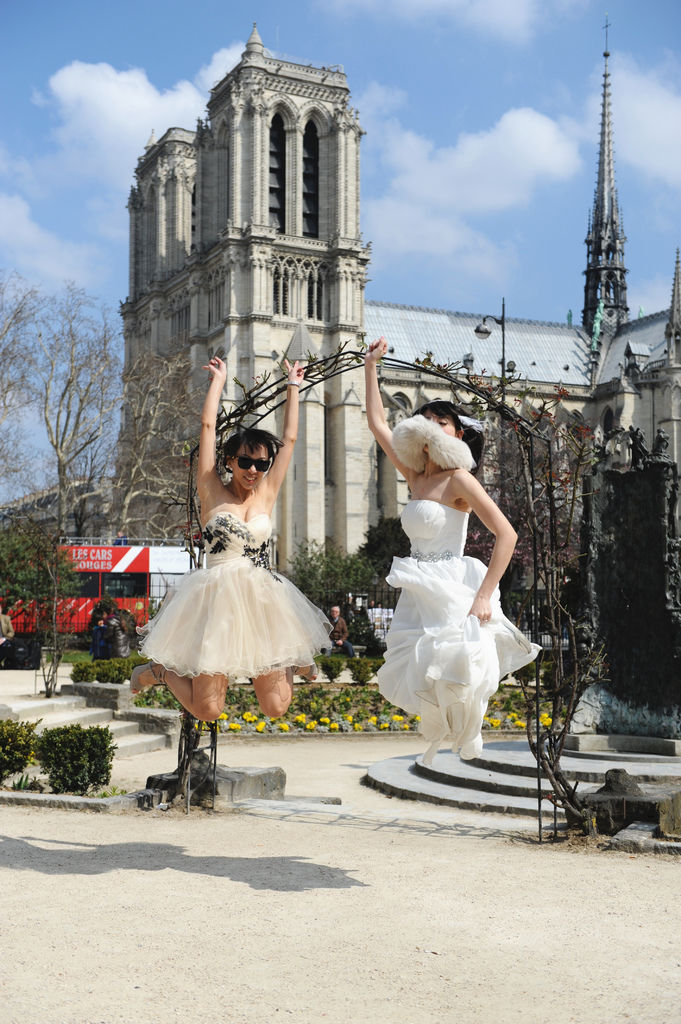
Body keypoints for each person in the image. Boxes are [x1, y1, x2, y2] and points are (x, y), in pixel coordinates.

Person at [364, 337, 540, 764]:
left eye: (441, 421)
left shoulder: (460, 478)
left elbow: (508, 535)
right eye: (425, 419)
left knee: (457, 666)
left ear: (458, 433)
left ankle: (466, 734)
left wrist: (484, 595)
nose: (430, 425)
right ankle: (448, 734)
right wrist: (370, 366)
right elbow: (377, 423)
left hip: (449, 584)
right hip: (418, 585)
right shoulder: (416, 477)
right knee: (423, 670)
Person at [131, 355, 329, 719]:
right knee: (208, 709)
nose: (254, 470)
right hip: (218, 602)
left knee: (276, 707)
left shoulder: (266, 493)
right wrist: (218, 383)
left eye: (262, 464)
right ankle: (159, 672)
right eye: (245, 462)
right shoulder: (211, 491)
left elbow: (290, 438)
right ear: (229, 461)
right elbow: (208, 426)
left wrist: (293, 386)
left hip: (264, 603)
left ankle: (291, 661)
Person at [0, 604, 15, 669]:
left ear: (1, 610)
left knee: (6, 646)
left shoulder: (6, 618)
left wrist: (3, 639)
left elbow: (11, 632)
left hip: (3, 640)